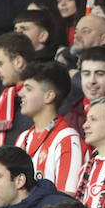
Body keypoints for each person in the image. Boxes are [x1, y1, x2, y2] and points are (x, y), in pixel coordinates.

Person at [15, 63, 86, 196]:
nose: (20, 93)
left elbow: (66, 198)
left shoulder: (67, 139)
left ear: (49, 96)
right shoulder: (23, 137)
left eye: (28, 89)